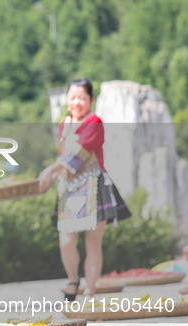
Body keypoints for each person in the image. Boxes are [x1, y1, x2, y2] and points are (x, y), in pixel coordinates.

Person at [38, 78, 131, 301]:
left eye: (82, 97)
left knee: (93, 242)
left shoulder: (94, 121)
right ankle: (73, 279)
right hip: (69, 188)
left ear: (90, 100)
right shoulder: (64, 124)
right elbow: (64, 156)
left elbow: (78, 152)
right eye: (73, 97)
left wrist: (50, 171)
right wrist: (56, 173)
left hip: (93, 184)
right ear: (67, 100)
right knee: (66, 241)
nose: (77, 102)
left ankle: (90, 289)